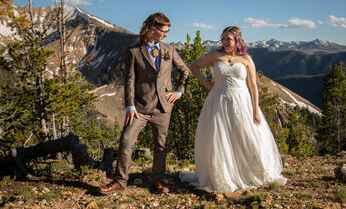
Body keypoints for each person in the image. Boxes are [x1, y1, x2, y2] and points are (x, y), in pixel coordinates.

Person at [180, 26, 287, 193]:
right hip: (218, 101)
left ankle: (248, 173)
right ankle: (224, 175)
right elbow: (193, 66)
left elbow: (253, 87)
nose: (224, 41)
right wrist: (208, 85)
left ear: (237, 40)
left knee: (246, 136)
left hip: (241, 101)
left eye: (228, 39)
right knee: (220, 138)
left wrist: (255, 111)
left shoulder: (246, 60)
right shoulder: (215, 56)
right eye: (222, 38)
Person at [99, 13, 190, 195]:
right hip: (139, 108)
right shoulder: (134, 51)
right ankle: (120, 181)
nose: (166, 35)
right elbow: (129, 80)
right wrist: (130, 105)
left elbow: (184, 71)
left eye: (167, 31)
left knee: (160, 145)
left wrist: (179, 91)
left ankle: (158, 179)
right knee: (126, 140)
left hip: (163, 107)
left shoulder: (169, 50)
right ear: (152, 29)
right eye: (163, 31)